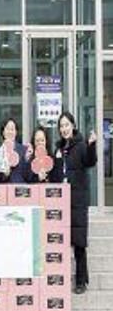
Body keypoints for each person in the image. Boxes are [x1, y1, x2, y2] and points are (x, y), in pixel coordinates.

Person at [52, 111, 97, 294]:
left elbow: (90, 161)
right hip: (61, 202)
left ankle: (80, 281)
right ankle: (61, 280)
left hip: (77, 201)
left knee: (79, 243)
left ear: (73, 126)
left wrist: (92, 146)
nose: (64, 129)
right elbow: (54, 175)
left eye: (67, 125)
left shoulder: (81, 145)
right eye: (61, 126)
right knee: (61, 242)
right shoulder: (58, 148)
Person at [0, 118, 30, 183]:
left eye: (12, 129)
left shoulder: (24, 150)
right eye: (7, 129)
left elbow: (28, 176)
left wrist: (28, 159)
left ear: (16, 132)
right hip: (4, 188)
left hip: (20, 187)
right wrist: (5, 175)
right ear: (3, 132)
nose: (10, 132)